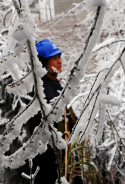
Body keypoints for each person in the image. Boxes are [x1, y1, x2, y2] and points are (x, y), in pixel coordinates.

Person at [27, 39, 83, 184]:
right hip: (49, 164)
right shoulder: (39, 90)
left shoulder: (54, 84)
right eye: (54, 58)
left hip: (63, 159)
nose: (59, 62)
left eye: (59, 57)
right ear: (43, 63)